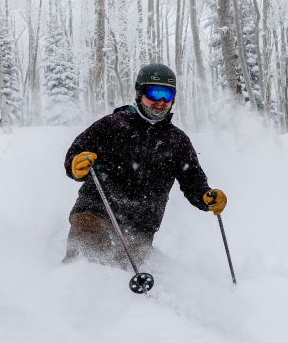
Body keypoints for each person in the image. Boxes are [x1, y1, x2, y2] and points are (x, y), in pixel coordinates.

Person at [63, 63, 226, 269]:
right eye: (154, 93)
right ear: (140, 93)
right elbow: (75, 154)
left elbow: (193, 179)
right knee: (85, 265)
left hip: (140, 229)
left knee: (127, 283)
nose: (160, 102)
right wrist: (76, 164)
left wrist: (206, 197)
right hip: (96, 213)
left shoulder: (177, 141)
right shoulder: (112, 125)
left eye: (167, 96)